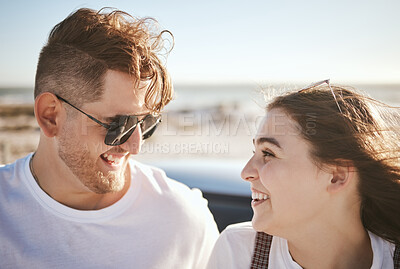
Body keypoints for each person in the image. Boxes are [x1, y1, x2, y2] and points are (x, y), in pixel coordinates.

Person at [0, 8, 219, 268]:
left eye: (147, 122)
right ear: (51, 116)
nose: (135, 146)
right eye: (120, 123)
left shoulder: (183, 220)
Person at [207, 80, 400, 269]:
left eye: (268, 153)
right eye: (255, 153)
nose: (245, 173)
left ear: (337, 176)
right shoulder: (238, 252)